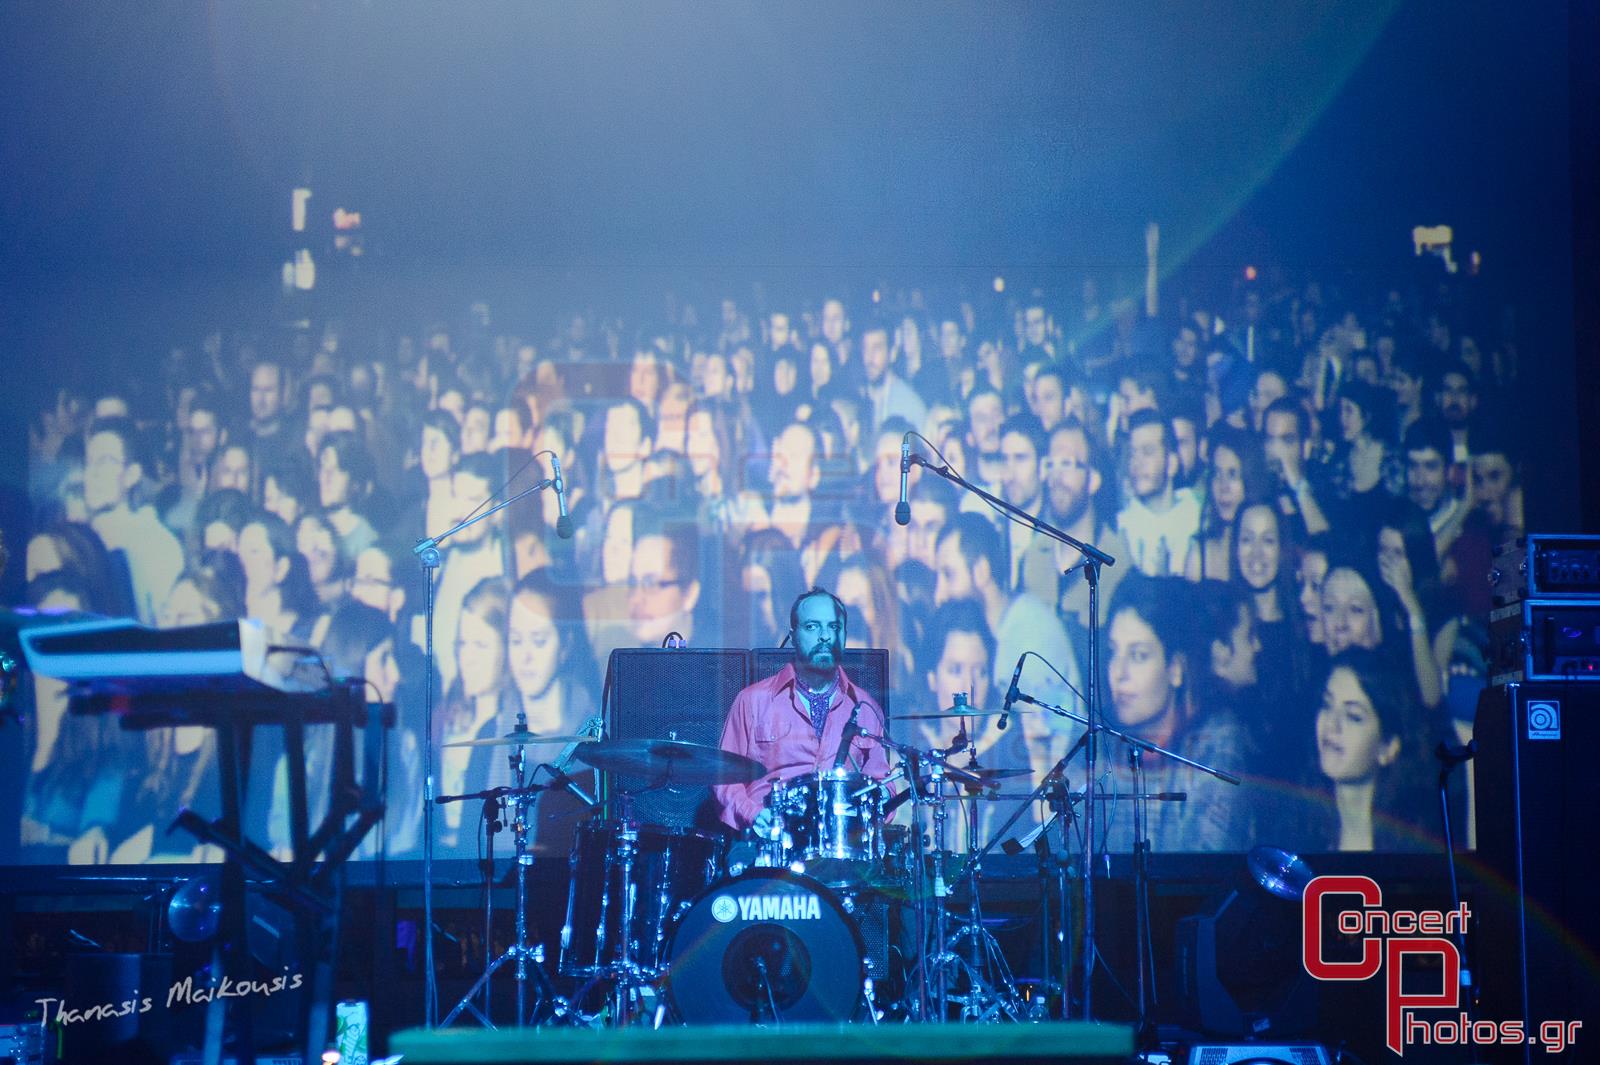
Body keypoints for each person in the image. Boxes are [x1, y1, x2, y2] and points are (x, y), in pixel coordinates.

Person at [714, 587, 890, 832]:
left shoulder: (866, 708)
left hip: (839, 843)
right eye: (812, 627)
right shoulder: (752, 700)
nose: (825, 636)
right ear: (793, 636)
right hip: (767, 840)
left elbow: (882, 782)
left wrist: (877, 800)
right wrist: (753, 814)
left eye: (834, 627)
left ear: (845, 636)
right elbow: (723, 777)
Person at [1100, 576, 1253, 852]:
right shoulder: (1110, 745)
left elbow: (1207, 866)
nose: (1118, 673)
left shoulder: (1218, 742)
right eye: (1114, 652)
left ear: (1176, 668)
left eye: (1138, 656)